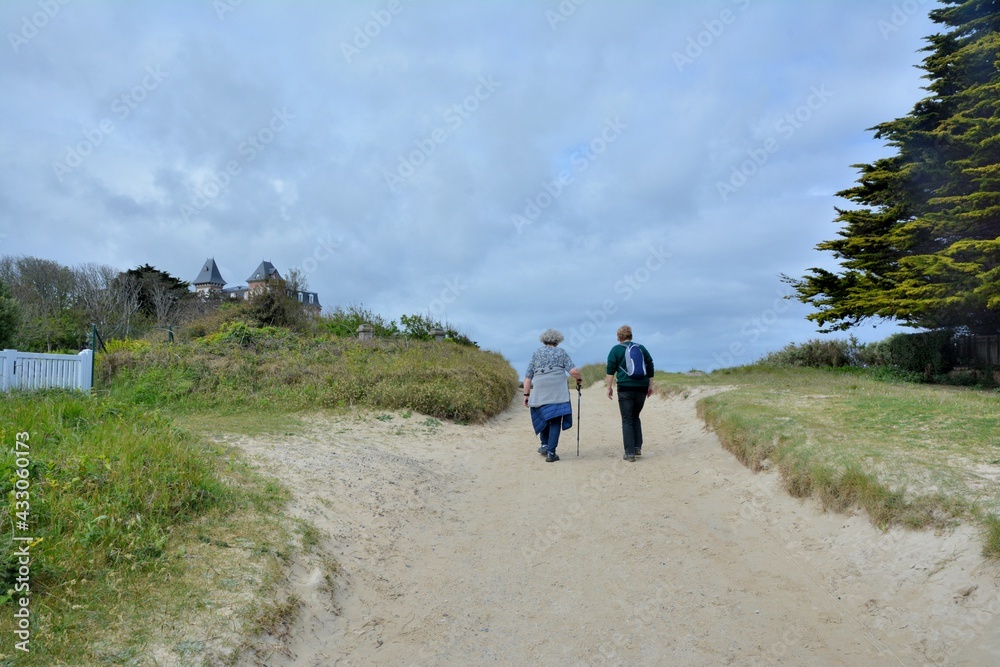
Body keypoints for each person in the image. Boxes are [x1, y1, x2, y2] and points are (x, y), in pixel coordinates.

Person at [523, 329, 582, 463]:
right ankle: (551, 452)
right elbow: (573, 371)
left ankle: (544, 445)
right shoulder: (561, 353)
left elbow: (527, 378)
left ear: (544, 340)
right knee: (555, 419)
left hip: (540, 392)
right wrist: (579, 379)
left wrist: (526, 395)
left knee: (544, 417)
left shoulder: (536, 353)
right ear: (558, 341)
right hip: (557, 392)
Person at [606, 324, 654, 462]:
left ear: (619, 337)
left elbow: (610, 370)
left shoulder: (616, 350)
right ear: (631, 336)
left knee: (627, 419)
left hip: (625, 388)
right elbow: (650, 365)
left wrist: (609, 387)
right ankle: (637, 447)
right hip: (641, 387)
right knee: (635, 416)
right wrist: (650, 385)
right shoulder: (641, 348)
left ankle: (629, 452)